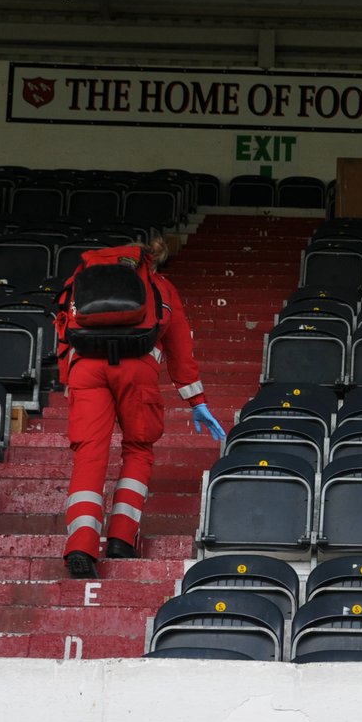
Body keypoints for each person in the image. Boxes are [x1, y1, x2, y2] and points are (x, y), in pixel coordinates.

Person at [57, 236, 224, 579]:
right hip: (137, 369)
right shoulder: (160, 286)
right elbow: (179, 348)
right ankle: (121, 537)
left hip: (86, 367)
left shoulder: (80, 280)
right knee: (138, 448)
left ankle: (81, 545)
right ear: (151, 262)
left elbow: (62, 327)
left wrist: (68, 380)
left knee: (90, 454)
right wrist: (196, 401)